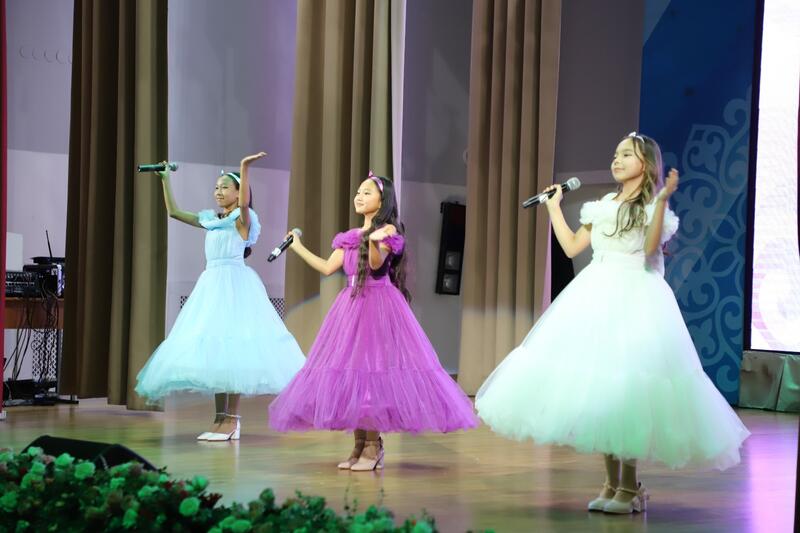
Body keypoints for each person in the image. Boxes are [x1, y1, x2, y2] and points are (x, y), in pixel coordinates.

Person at [475, 133, 750, 513]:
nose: (617, 160)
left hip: (636, 298)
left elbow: (650, 250)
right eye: (615, 154)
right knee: (601, 389)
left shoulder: (652, 207)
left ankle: (629, 486)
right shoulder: (603, 205)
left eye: (626, 155)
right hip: (596, 295)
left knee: (627, 389)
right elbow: (572, 246)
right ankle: (609, 482)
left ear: (646, 164)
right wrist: (554, 207)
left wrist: (662, 201)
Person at [269, 171, 478, 470]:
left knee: (371, 374)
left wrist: (374, 241)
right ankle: (358, 445)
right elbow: (328, 267)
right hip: (351, 304)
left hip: (377, 303)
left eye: (367, 192)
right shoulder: (349, 237)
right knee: (352, 373)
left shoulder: (388, 230)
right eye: (358, 192)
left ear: (382, 200)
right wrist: (297, 246)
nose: (359, 196)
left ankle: (373, 446)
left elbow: (377, 266)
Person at [135, 153, 305, 441]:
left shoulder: (243, 220)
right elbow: (174, 213)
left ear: (239, 193)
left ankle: (232, 420)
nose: (218, 191)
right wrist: (165, 181)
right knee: (217, 356)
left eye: (225, 187)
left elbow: (245, 206)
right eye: (216, 187)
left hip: (235, 285)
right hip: (211, 284)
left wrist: (244, 167)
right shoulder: (212, 220)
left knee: (234, 351)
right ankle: (218, 419)